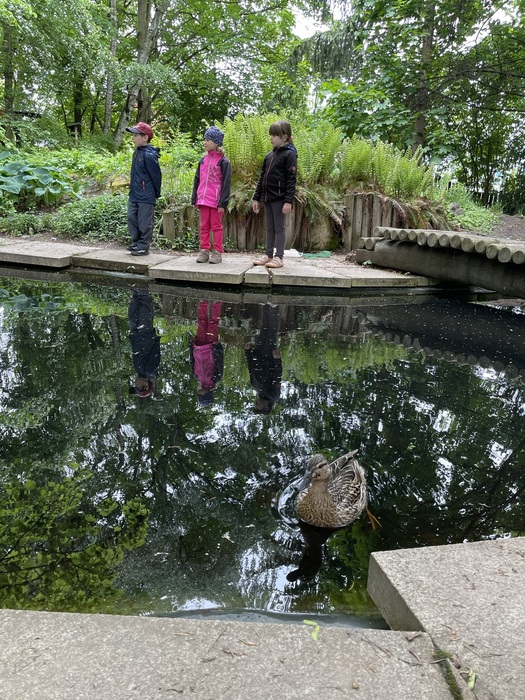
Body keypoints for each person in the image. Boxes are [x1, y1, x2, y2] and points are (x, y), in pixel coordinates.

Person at [252, 120, 297, 269]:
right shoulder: (269, 156)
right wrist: (256, 198)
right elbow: (262, 178)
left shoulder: (290, 155)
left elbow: (291, 180)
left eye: (274, 135)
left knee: (279, 227)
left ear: (284, 137)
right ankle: (268, 254)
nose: (271, 138)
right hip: (268, 198)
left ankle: (279, 257)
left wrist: (288, 201)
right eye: (270, 135)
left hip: (279, 198)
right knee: (270, 227)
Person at [191, 126, 231, 265]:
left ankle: (217, 252)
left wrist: (223, 202)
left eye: (208, 140)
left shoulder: (223, 162)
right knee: (204, 226)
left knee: (216, 226)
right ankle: (204, 251)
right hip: (203, 200)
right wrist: (194, 198)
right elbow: (197, 180)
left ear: (216, 142)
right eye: (205, 139)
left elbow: (226, 184)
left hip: (216, 201)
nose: (205, 142)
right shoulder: (202, 160)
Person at [125, 121, 162, 257]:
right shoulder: (136, 152)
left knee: (144, 222)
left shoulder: (149, 155)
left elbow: (156, 176)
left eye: (136, 136)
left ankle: (143, 246)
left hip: (146, 195)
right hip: (134, 194)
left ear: (145, 137)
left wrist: (155, 194)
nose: (133, 138)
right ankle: (136, 242)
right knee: (131, 218)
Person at [245, 303, 282, 415]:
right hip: (268, 359)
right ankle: (275, 309)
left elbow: (251, 370)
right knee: (271, 332)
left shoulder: (257, 390)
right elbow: (277, 377)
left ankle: (266, 308)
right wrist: (277, 360)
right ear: (265, 407)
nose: (256, 404)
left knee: (263, 331)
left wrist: (247, 353)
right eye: (258, 406)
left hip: (257, 356)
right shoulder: (273, 395)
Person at [189, 300, 224, 406]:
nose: (199, 393)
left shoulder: (197, 377)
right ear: (207, 394)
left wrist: (191, 346)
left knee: (201, 323)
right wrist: (217, 347)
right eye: (201, 395)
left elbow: (192, 360)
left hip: (199, 347)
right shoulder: (215, 379)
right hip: (210, 347)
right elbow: (220, 361)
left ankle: (203, 303)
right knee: (213, 324)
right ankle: (216, 304)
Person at [128, 289, 160, 398]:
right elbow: (155, 354)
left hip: (136, 336)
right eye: (137, 386)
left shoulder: (139, 370)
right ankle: (145, 292)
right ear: (145, 385)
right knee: (145, 312)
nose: (135, 383)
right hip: (146, 336)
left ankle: (136, 292)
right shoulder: (149, 371)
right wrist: (156, 339)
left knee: (133, 313)